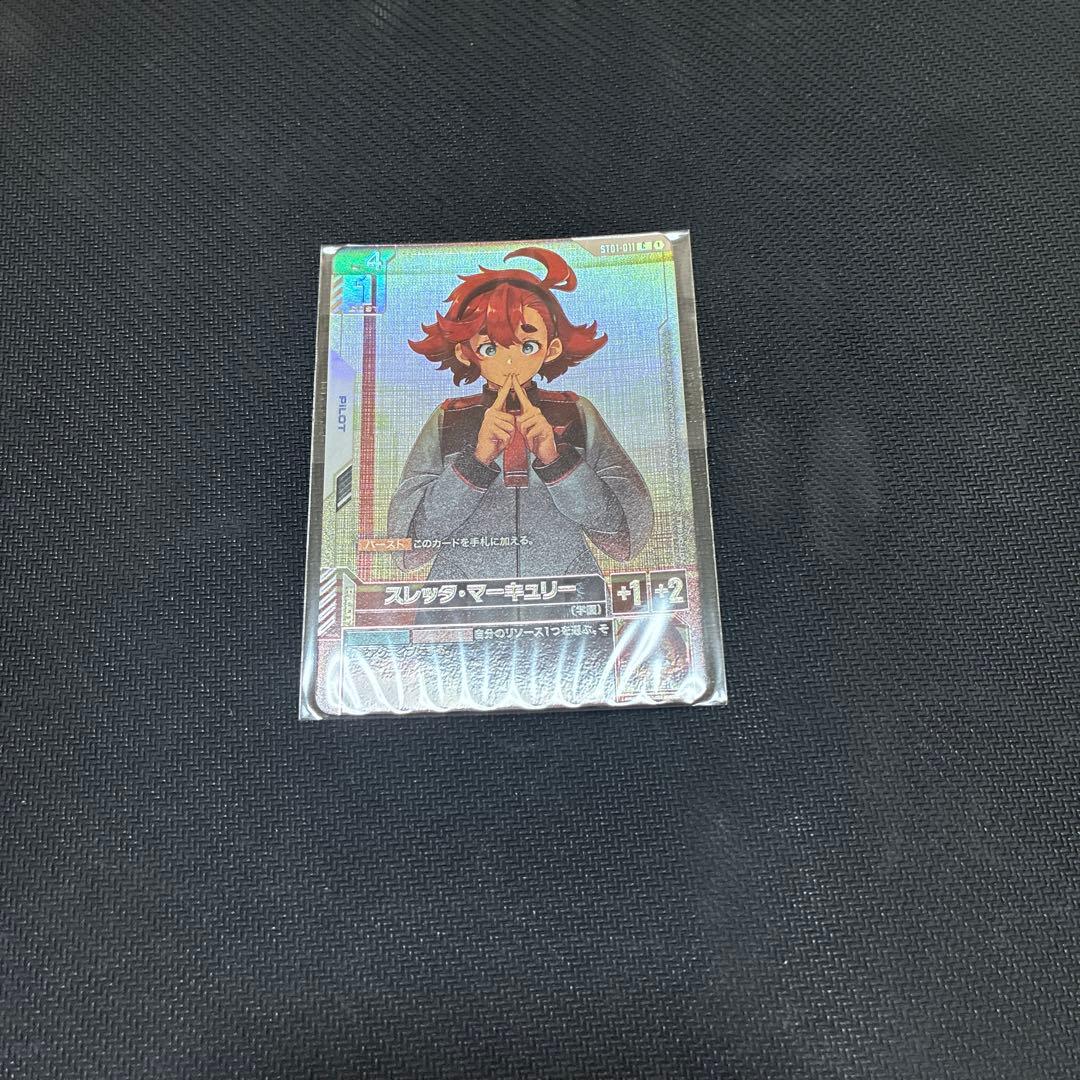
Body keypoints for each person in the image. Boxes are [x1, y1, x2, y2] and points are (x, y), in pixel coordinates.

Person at [386, 247, 653, 603]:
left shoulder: (575, 412)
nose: (510, 361)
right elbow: (405, 547)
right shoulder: (449, 418)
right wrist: (476, 461)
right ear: (465, 351)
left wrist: (557, 461)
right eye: (490, 348)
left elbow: (627, 536)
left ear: (551, 348)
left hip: (567, 594)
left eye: (527, 346)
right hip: (461, 597)